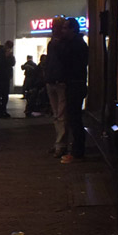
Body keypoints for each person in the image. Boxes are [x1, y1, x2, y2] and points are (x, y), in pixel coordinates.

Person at [60, 18, 89, 164]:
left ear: (72, 29)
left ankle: (77, 152)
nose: (63, 31)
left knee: (75, 118)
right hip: (75, 83)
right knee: (74, 118)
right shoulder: (77, 44)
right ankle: (77, 149)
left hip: (75, 84)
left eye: (65, 28)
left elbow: (69, 63)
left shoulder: (76, 45)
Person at [45, 17, 68, 157]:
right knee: (57, 115)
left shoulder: (62, 43)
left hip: (59, 81)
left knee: (60, 115)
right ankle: (59, 143)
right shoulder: (53, 42)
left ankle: (61, 144)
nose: (54, 29)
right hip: (53, 81)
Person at [0, 40, 16, 118]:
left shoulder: (9, 54)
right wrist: (6, 57)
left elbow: (12, 63)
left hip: (6, 77)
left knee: (5, 95)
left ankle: (3, 110)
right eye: (8, 47)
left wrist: (10, 56)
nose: (9, 49)